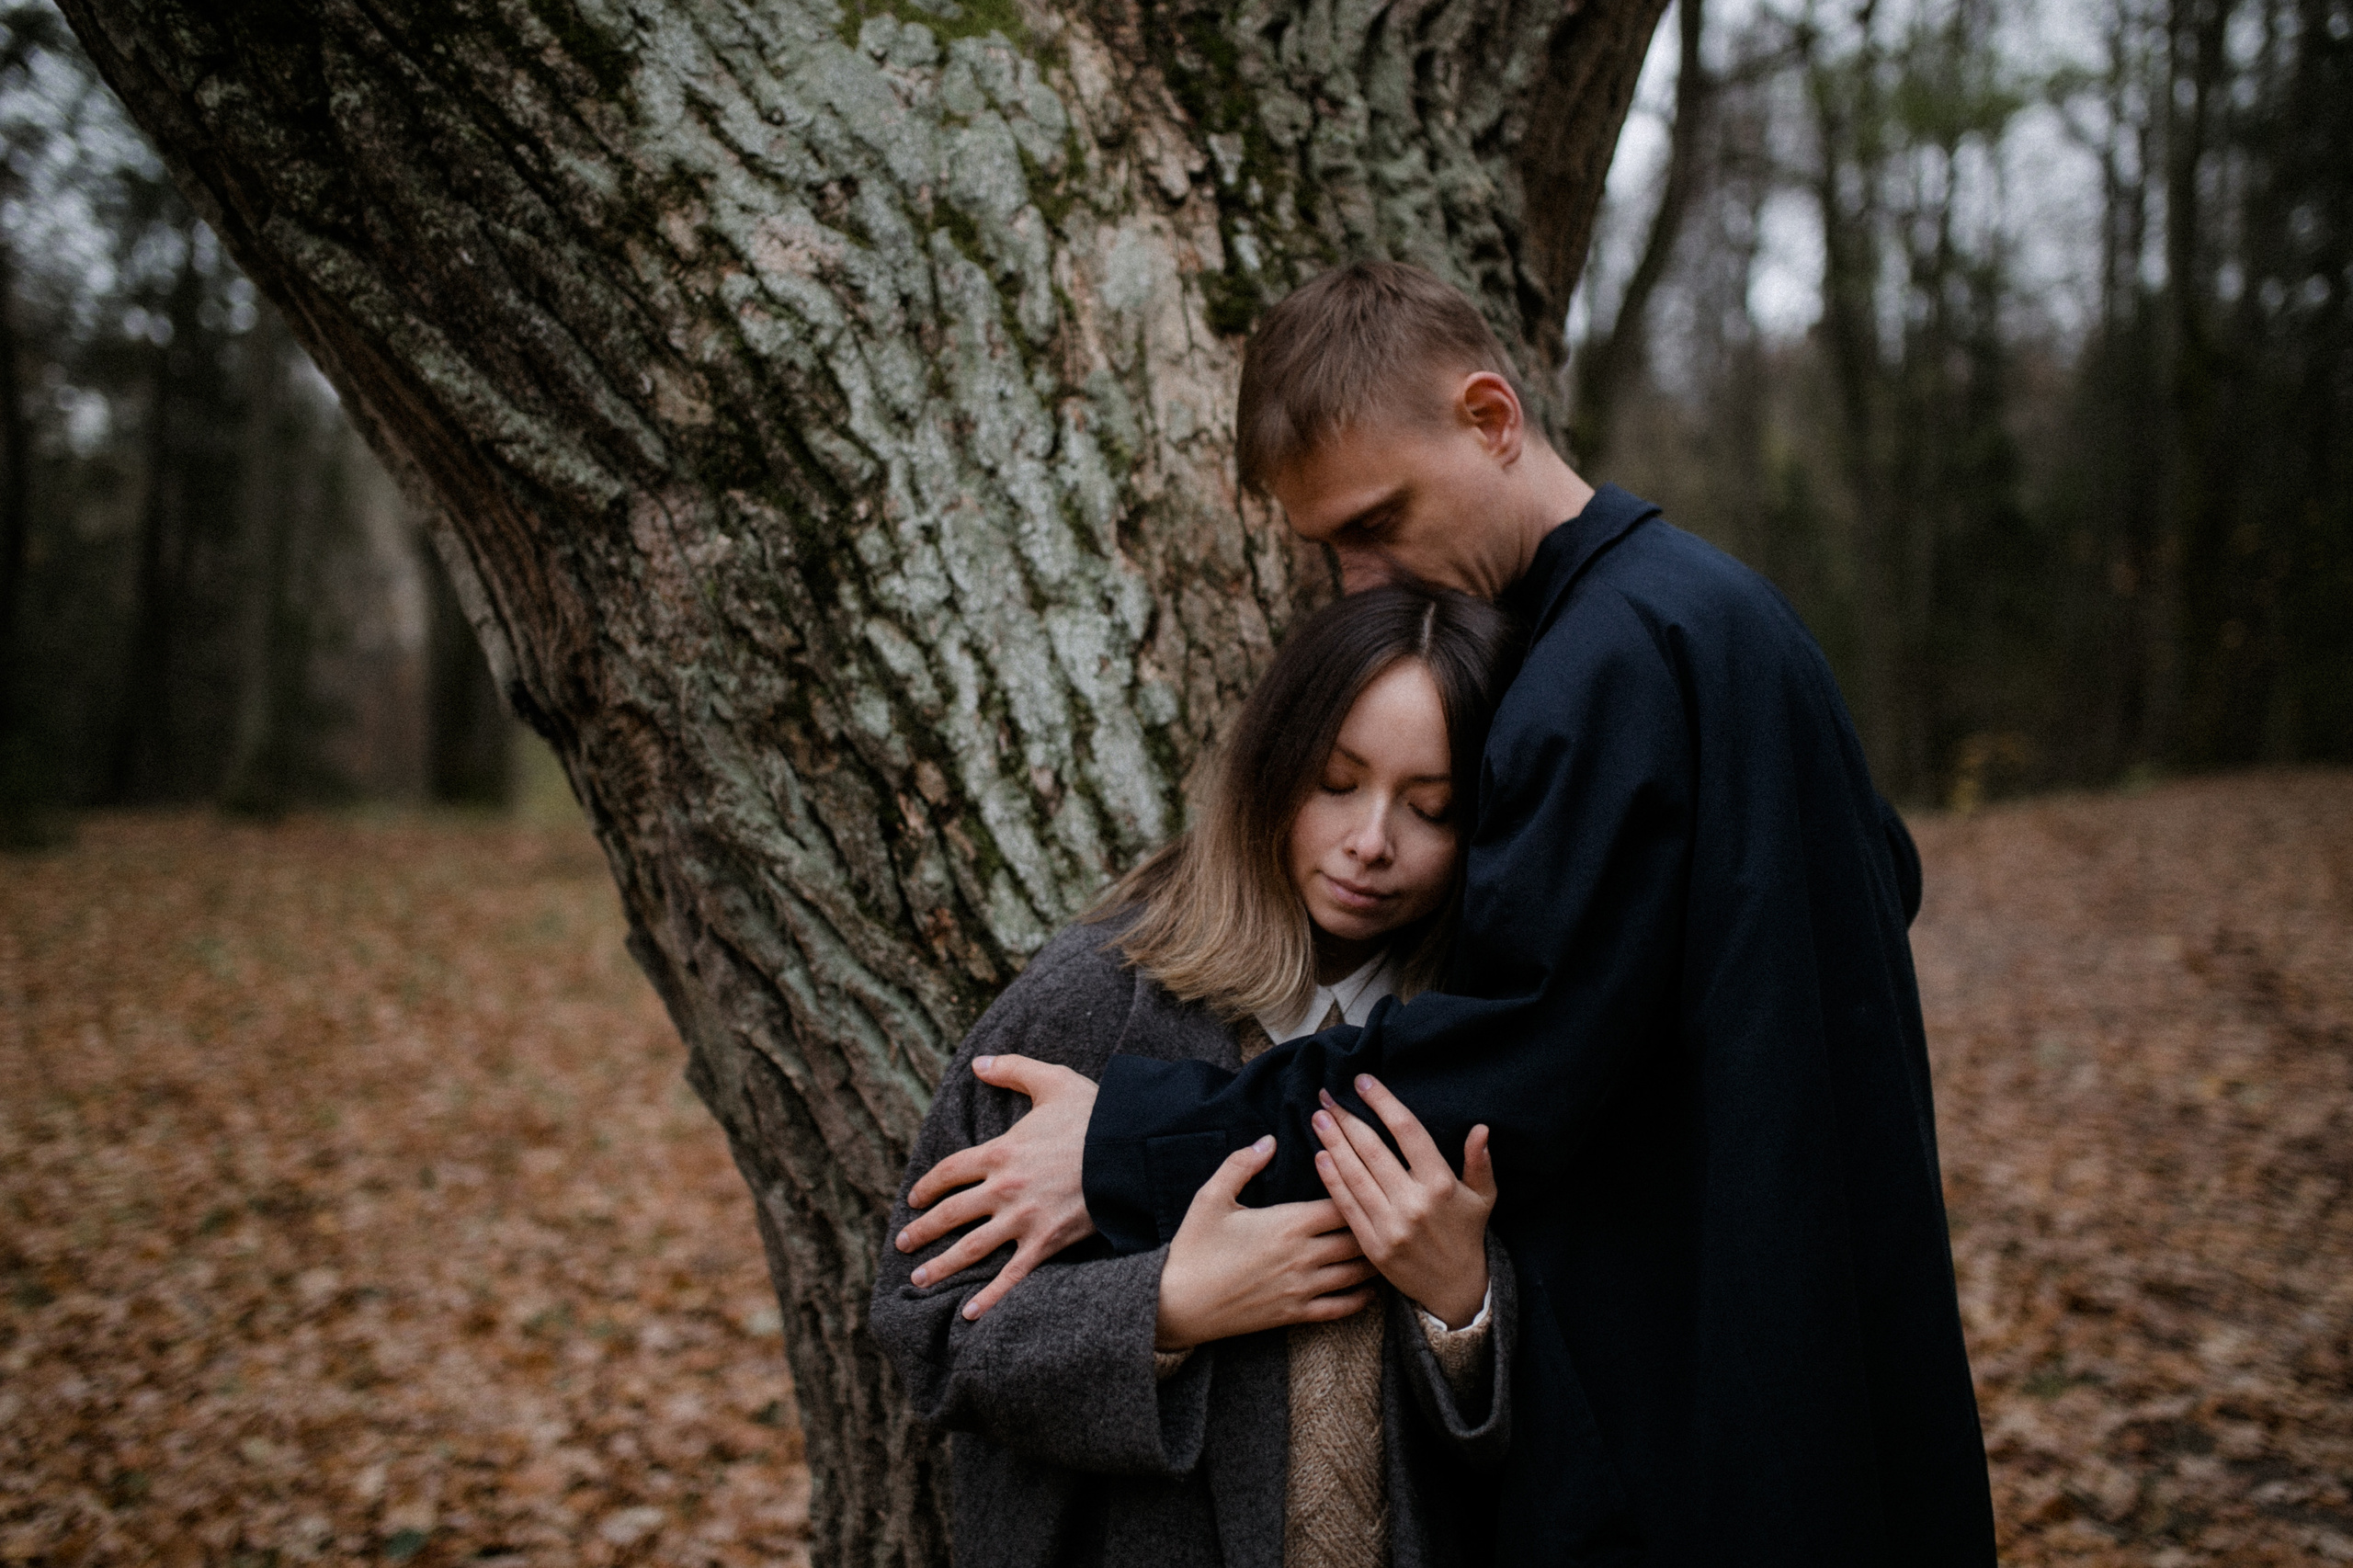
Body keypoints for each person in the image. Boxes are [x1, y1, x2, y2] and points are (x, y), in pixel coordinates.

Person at [893, 261, 1998, 1565]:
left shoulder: (1603, 667)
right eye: (1331, 550)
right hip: (1827, 1348)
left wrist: (1130, 1142)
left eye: (1380, 522)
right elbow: (1878, 872)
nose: (1364, 580)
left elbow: (1508, 1061)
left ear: (1490, 416)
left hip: (1716, 1380)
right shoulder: (1728, 619)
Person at [871, 585, 1527, 1568]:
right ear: (1272, 764)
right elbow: (924, 1331)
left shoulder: (1492, 1029)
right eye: (1335, 782)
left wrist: (1462, 1306)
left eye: (1431, 808)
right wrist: (1168, 1303)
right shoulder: (1092, 1001)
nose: (1371, 841)